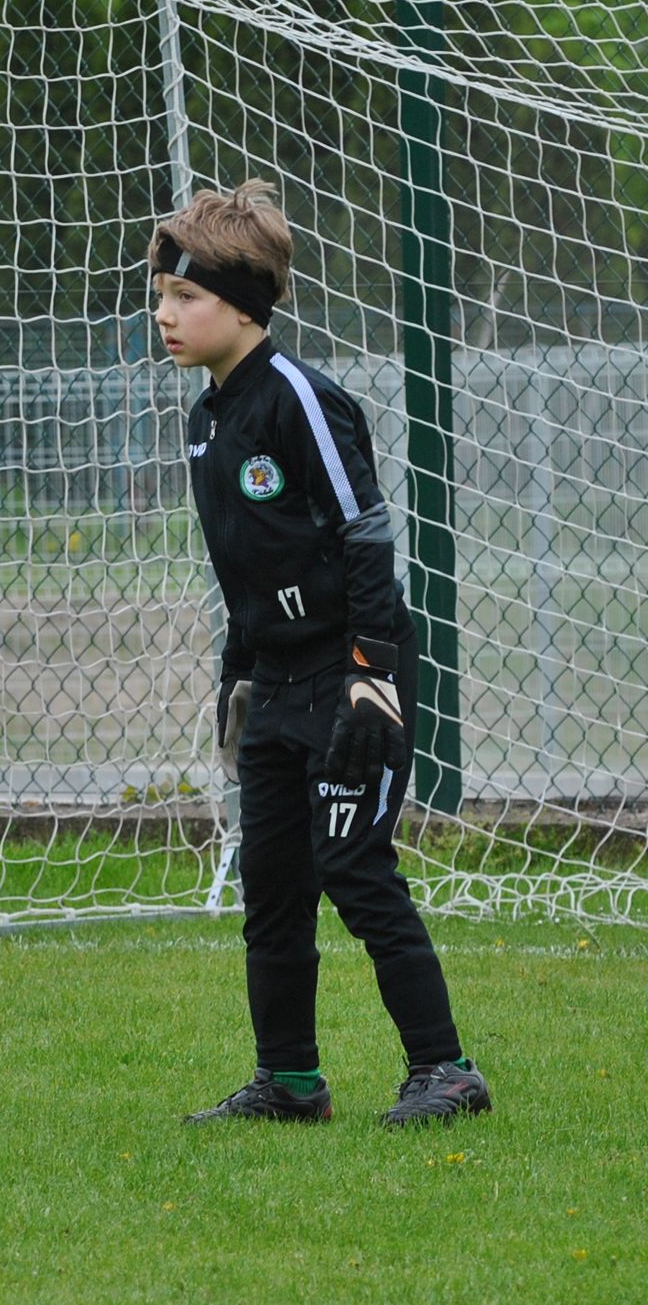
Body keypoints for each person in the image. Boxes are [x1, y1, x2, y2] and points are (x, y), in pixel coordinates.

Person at [148, 179, 490, 1128]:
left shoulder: (301, 399)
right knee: (273, 886)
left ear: (245, 305)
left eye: (188, 298)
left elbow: (364, 536)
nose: (167, 316)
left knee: (357, 869)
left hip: (349, 675)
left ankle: (447, 1069)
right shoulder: (206, 422)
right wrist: (237, 682)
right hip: (276, 682)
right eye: (162, 300)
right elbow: (245, 572)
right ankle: (290, 1082)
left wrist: (372, 676)